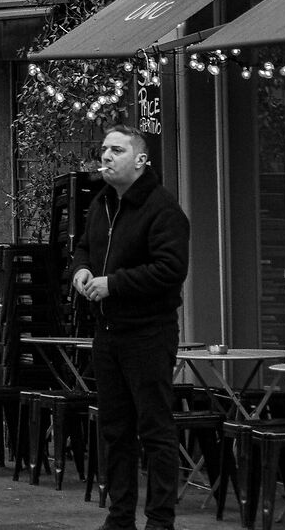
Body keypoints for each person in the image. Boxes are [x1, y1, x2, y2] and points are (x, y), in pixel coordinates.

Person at [71, 124, 190, 530]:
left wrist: (114, 285)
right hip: (107, 332)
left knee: (155, 427)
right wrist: (82, 270)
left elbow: (171, 270)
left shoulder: (163, 208)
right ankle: (119, 517)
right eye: (103, 148)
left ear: (140, 160)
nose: (105, 156)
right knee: (114, 429)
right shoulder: (101, 204)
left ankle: (160, 520)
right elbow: (83, 247)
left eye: (116, 150)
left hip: (148, 333)